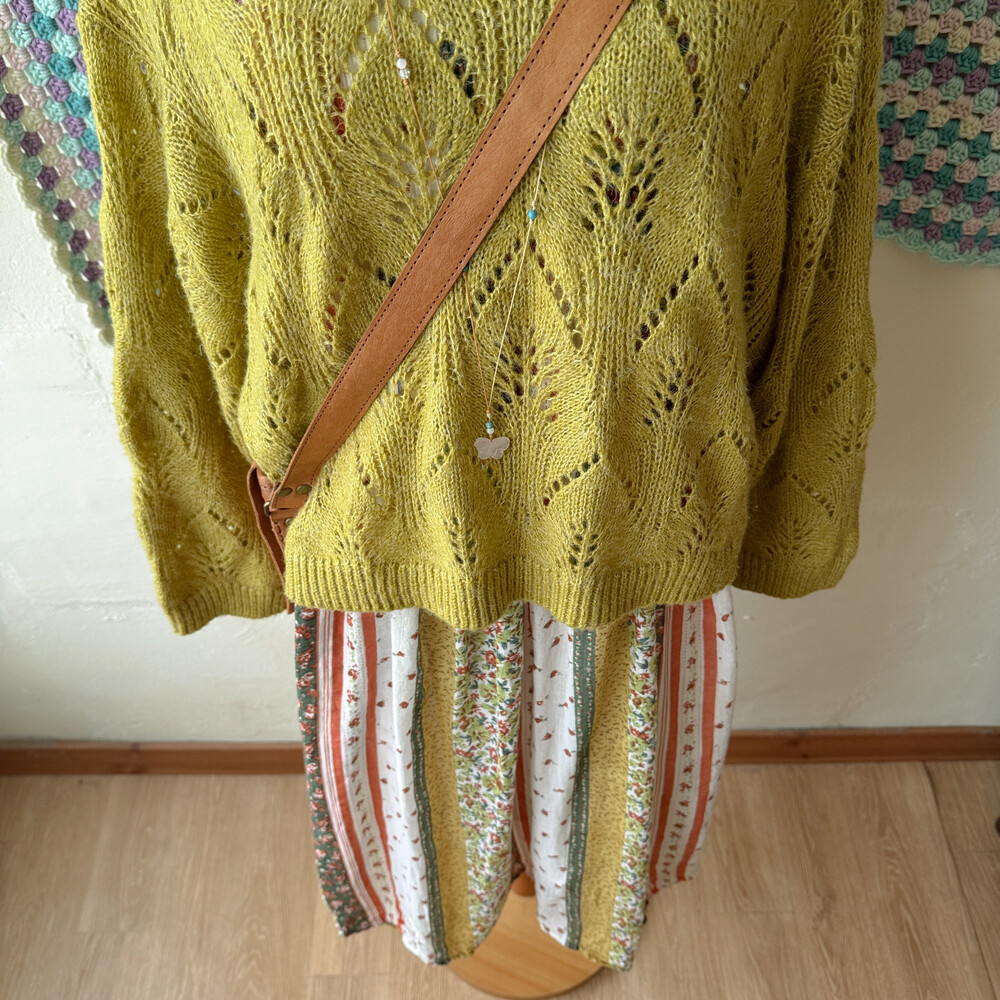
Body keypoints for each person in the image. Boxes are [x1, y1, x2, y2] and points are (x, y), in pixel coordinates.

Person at [77, 0, 884, 973]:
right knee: (431, 845)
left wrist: (797, 508)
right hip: (379, 554)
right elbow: (166, 264)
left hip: (636, 539)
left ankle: (570, 905)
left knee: (603, 839)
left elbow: (821, 242)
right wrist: (216, 537)